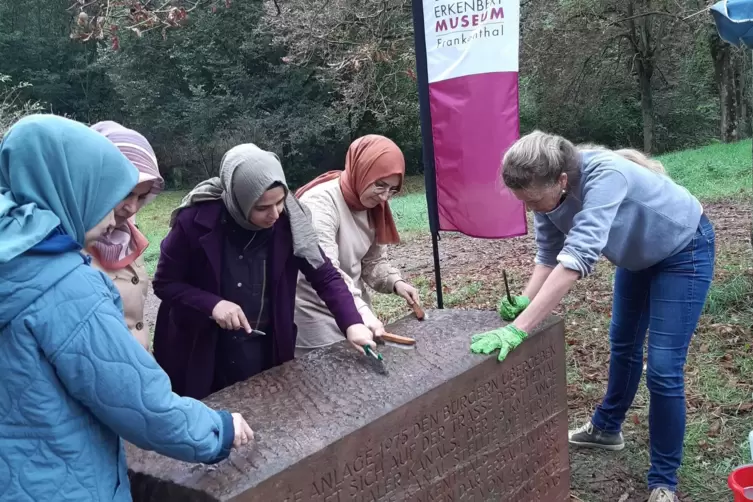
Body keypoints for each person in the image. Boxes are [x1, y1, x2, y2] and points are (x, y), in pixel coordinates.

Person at [0, 115, 253, 501]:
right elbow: (134, 398)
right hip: (68, 482)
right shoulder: (63, 281)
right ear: (73, 189)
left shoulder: (12, 256)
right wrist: (218, 430)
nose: (122, 213)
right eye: (107, 196)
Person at [471, 131, 714, 502]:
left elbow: (577, 259)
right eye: (525, 203)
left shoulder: (605, 177)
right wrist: (524, 299)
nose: (533, 209)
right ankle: (606, 429)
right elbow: (550, 254)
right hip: (637, 258)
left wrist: (518, 329)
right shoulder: (548, 194)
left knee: (664, 367)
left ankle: (664, 481)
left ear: (562, 181)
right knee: (622, 343)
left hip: (683, 250)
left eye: (534, 200)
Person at [152, 143, 375, 400]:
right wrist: (212, 305)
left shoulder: (291, 222)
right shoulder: (194, 221)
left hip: (265, 346)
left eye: (280, 202)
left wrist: (352, 323)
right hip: (202, 348)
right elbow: (165, 283)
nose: (275, 214)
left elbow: (323, 275)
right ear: (238, 198)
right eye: (262, 208)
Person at [293, 135, 421, 354]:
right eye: (380, 186)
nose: (384, 198)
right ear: (362, 170)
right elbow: (326, 270)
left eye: (392, 190)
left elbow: (372, 261)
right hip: (314, 308)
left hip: (354, 304)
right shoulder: (319, 204)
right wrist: (360, 313)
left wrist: (395, 282)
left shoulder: (373, 204)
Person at [87, 120, 164, 350]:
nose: (131, 208)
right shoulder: (68, 246)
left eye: (141, 197)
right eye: (125, 192)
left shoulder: (128, 236)